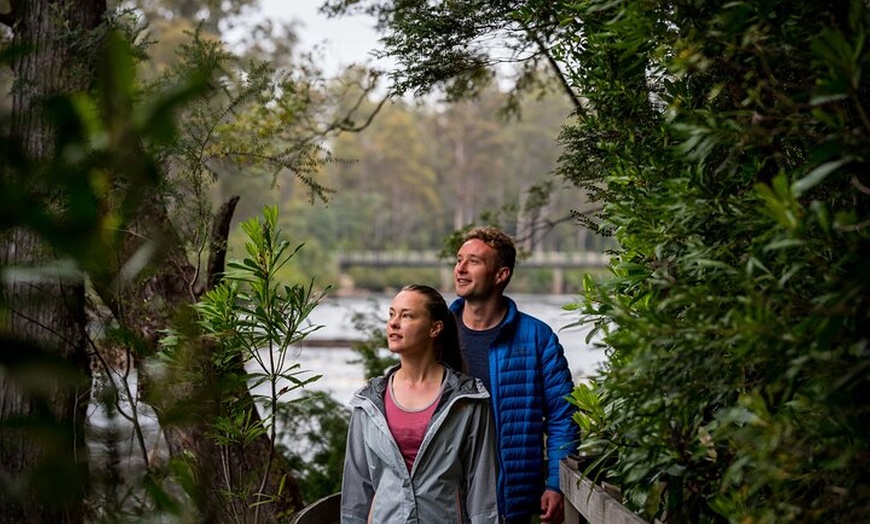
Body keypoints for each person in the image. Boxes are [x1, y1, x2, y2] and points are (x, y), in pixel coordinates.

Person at [450, 226, 579, 524]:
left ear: (501, 275)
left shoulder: (537, 338)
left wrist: (556, 483)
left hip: (509, 504)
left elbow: (563, 417)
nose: (461, 268)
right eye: (459, 259)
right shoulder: (438, 335)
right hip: (444, 502)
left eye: (474, 261)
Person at [340, 284, 499, 524]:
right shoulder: (369, 401)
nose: (394, 323)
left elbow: (482, 493)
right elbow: (356, 492)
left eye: (407, 316)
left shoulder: (467, 399)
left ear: (435, 328)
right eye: (392, 314)